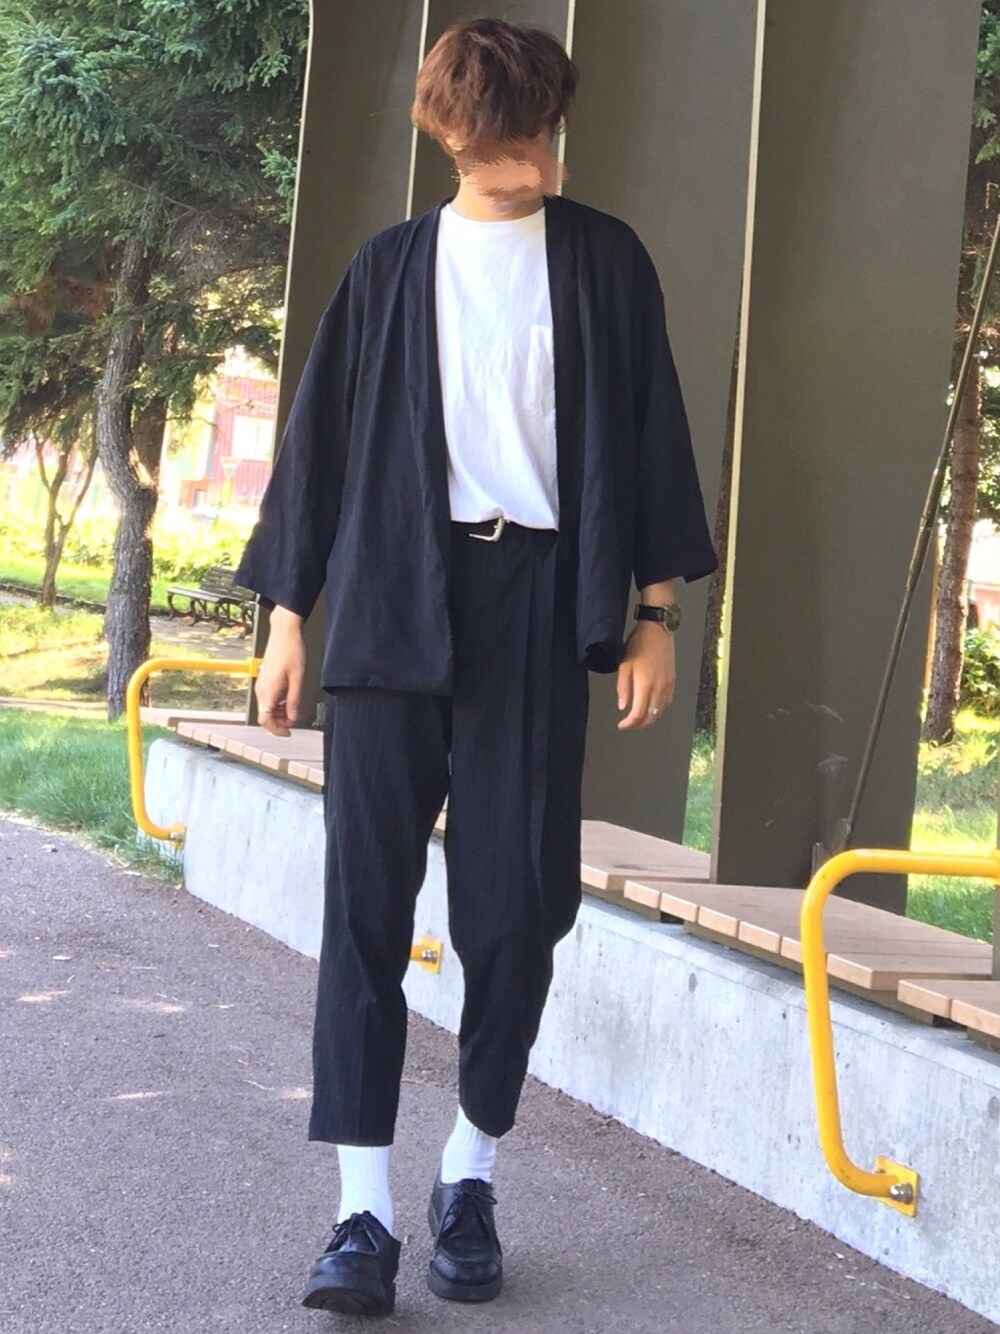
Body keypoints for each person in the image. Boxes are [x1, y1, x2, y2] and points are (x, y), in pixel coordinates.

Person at [235, 16, 718, 1319]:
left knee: (515, 910)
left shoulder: (606, 262)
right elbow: (317, 448)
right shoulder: (389, 267)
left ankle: (470, 1171)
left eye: (540, 135)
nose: (530, 163)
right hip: (392, 595)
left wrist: (654, 611)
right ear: (451, 133)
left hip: (536, 607)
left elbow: (652, 434)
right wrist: (288, 616)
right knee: (365, 911)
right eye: (502, 140)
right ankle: (361, 1214)